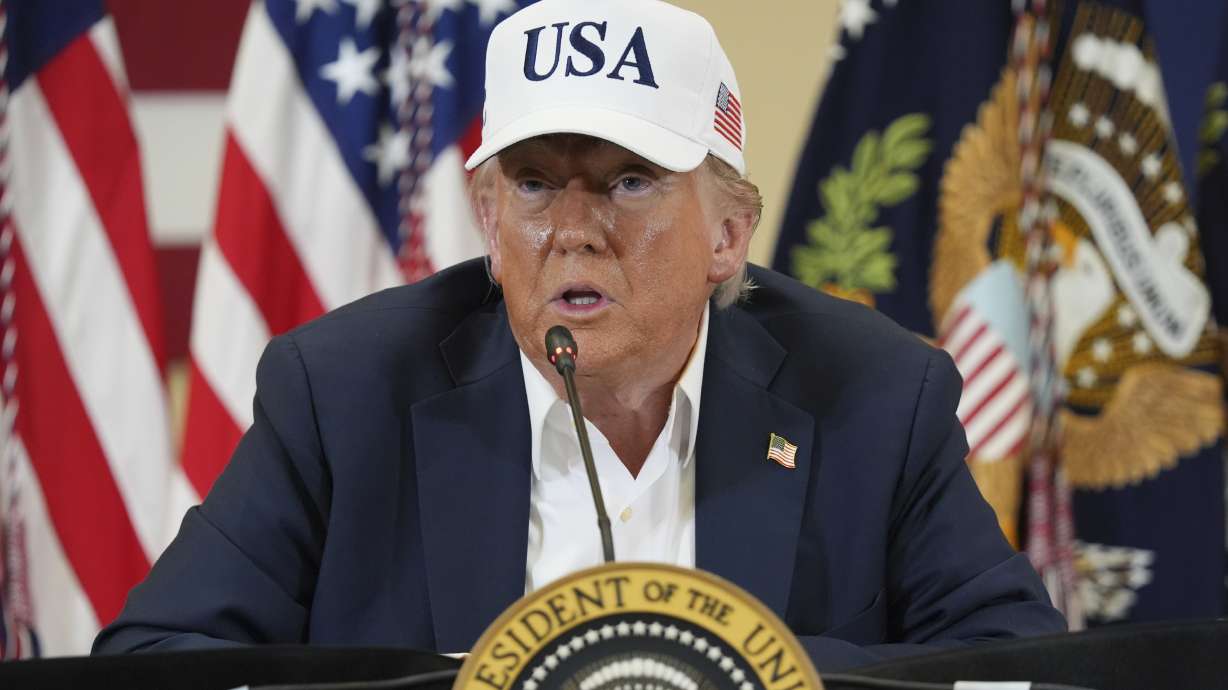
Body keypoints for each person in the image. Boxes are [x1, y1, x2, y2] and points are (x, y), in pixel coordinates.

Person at [94, 0, 1065, 670]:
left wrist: (720, 670)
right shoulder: (343, 392)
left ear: (727, 234)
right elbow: (152, 664)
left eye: (627, 181)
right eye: (531, 182)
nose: (570, 228)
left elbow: (1011, 669)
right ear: (486, 217)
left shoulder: (874, 398)